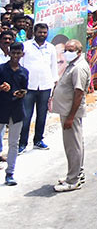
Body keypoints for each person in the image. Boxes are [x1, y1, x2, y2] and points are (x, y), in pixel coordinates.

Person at [51, 38, 88, 192]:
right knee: (75, 143)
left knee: (73, 145)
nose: (67, 53)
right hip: (67, 110)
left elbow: (78, 93)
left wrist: (71, 116)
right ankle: (76, 173)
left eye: (71, 50)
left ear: (78, 52)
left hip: (70, 112)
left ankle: (73, 180)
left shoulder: (79, 68)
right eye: (65, 50)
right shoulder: (72, 65)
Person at [19, 21, 54, 152]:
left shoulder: (50, 48)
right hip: (29, 86)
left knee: (42, 115)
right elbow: (21, 66)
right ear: (34, 33)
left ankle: (38, 140)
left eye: (45, 32)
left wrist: (53, 83)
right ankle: (22, 143)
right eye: (40, 32)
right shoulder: (26, 46)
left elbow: (53, 67)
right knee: (26, 116)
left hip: (45, 86)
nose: (42, 34)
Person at [0, 40, 28, 185]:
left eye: (18, 53)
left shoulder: (24, 72)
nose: (15, 56)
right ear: (9, 53)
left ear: (22, 54)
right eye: (13, 53)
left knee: (13, 143)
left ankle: (10, 173)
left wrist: (21, 94)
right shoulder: (1, 69)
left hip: (17, 110)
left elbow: (25, 89)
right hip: (2, 108)